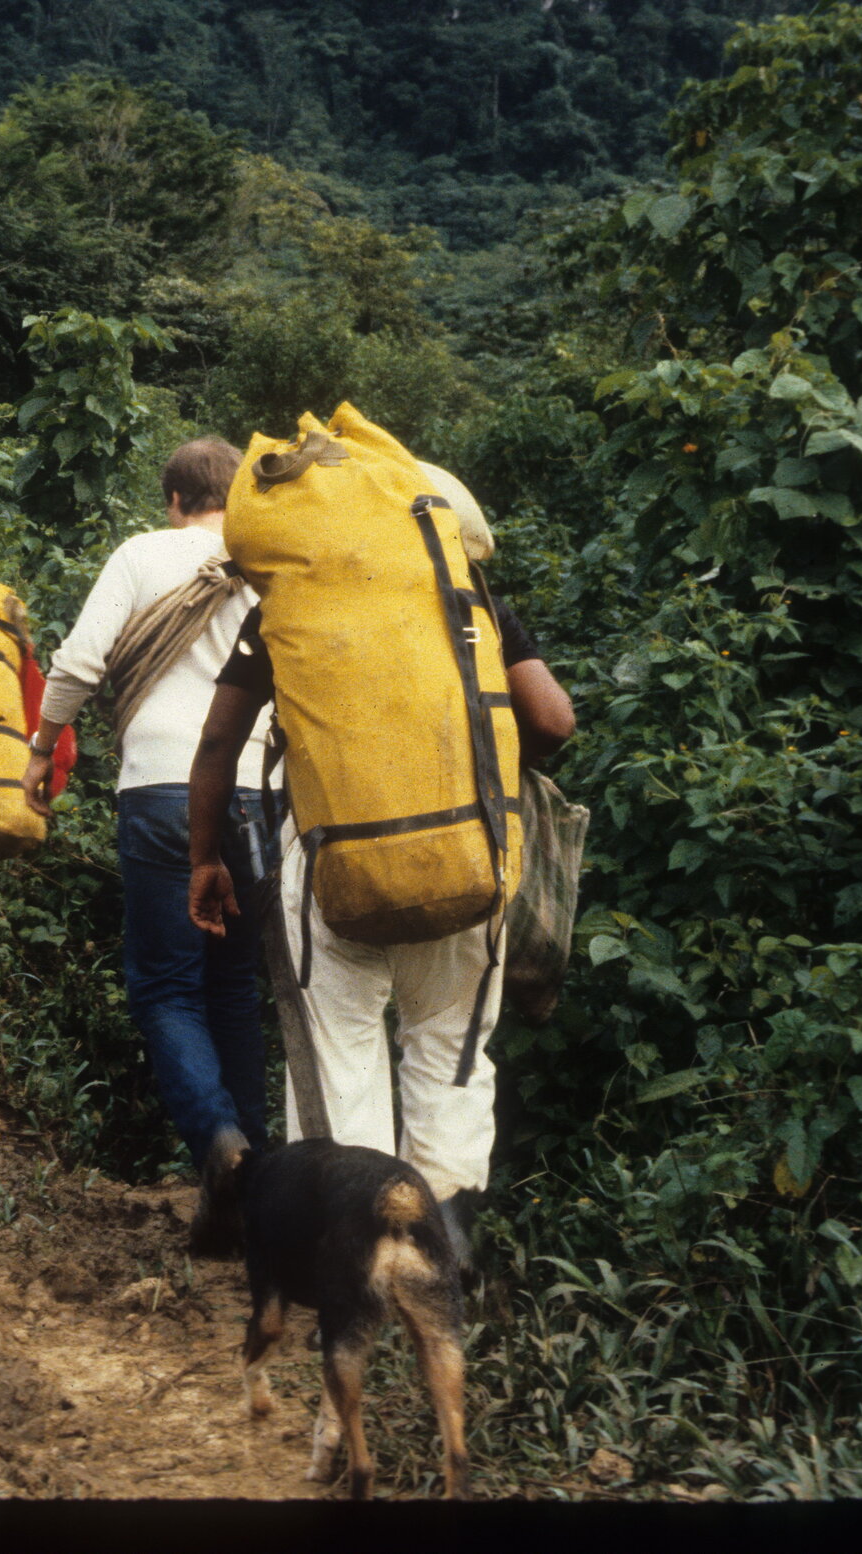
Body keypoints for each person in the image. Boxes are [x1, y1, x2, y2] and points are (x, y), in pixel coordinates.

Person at [186, 466, 575, 1271]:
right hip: (467, 853)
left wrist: (204, 857)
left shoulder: (287, 607)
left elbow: (219, 744)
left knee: (339, 1052)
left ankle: (350, 1257)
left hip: (332, 867)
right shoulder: (472, 598)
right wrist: (492, 777)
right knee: (449, 1047)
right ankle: (444, 1247)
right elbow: (552, 719)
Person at [21, 437, 275, 1221]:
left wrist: (41, 749)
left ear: (172, 501)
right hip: (254, 793)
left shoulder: (143, 555)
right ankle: (257, 1181)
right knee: (236, 986)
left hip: (163, 789)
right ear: (239, 500)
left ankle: (219, 1139)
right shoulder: (270, 563)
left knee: (167, 986)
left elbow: (77, 665)